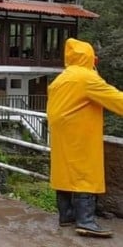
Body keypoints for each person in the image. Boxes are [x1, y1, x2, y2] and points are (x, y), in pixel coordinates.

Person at [47, 38, 123, 238]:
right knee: (85, 173)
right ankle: (86, 221)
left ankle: (67, 215)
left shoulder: (61, 79)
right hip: (80, 135)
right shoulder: (86, 78)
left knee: (65, 171)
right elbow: (117, 100)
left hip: (61, 135)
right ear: (89, 58)